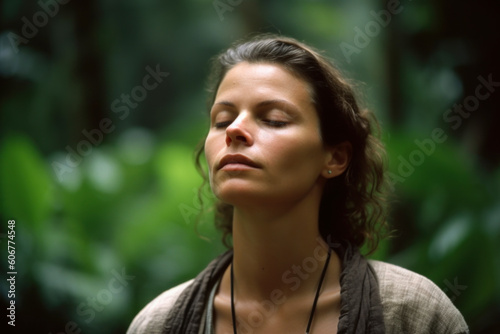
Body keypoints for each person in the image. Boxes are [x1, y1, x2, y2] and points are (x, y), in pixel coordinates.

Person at [126, 34, 469, 334]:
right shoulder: (158, 323)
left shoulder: (412, 313)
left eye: (273, 119)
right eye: (223, 120)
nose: (234, 130)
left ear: (334, 158)